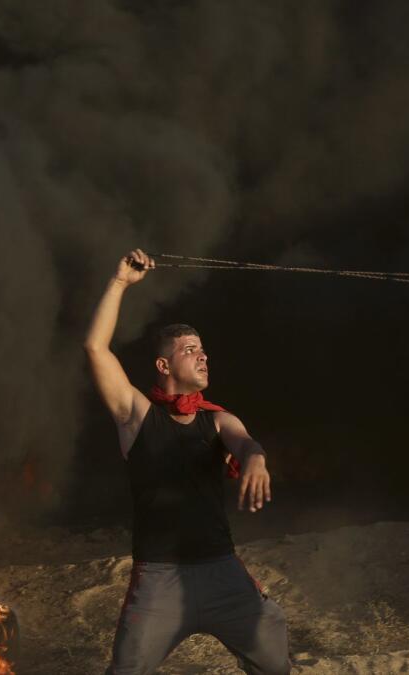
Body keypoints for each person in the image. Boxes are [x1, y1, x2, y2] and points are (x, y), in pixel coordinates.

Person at [84, 248, 291, 675]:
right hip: (158, 580)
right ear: (164, 365)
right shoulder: (138, 417)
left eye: (204, 350)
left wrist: (256, 460)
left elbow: (246, 443)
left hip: (221, 573)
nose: (203, 356)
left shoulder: (217, 420)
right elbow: (95, 347)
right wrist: (120, 283)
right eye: (190, 350)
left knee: (273, 646)